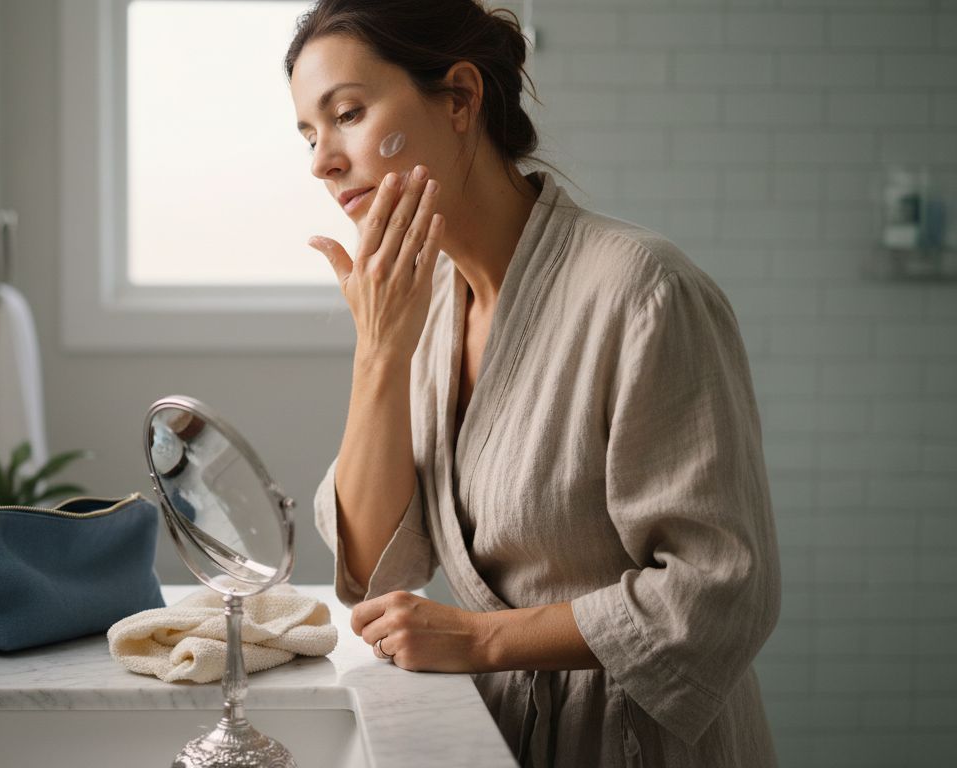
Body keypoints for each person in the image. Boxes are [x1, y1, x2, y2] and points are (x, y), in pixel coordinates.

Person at [286, 1, 781, 766]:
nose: (323, 160)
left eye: (347, 114)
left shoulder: (643, 291)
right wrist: (379, 355)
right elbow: (374, 564)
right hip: (498, 731)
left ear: (459, 97)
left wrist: (486, 639)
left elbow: (718, 592)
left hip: (641, 738)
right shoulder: (425, 304)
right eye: (309, 136)